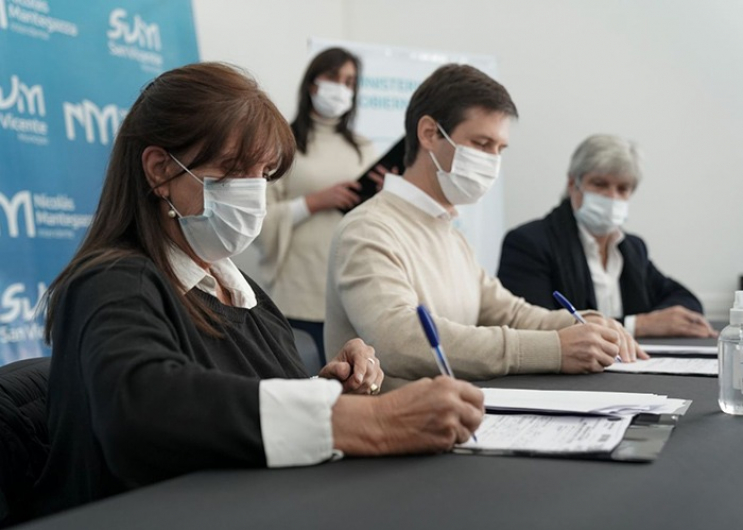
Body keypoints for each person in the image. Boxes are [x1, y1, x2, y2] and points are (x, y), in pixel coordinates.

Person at [33, 62, 484, 518]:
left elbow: (243, 414)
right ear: (159, 170)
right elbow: (141, 409)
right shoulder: (111, 282)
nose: (253, 192)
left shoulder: (244, 293)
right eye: (232, 170)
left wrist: (326, 390)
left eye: (263, 174)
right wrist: (369, 422)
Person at [325, 64, 646, 392]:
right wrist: (555, 349)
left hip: (452, 419)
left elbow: (511, 313)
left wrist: (584, 322)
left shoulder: (450, 233)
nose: (492, 160)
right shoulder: (368, 228)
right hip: (394, 432)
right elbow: (400, 340)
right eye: (481, 143)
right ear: (429, 134)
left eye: (499, 149)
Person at [497, 134, 715, 338]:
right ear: (573, 184)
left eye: (623, 188)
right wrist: (638, 325)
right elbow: (533, 329)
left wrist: (662, 321)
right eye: (600, 184)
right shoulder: (529, 243)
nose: (612, 197)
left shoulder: (631, 248)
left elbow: (686, 300)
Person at [254, 48, 377, 360]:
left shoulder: (363, 148)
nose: (342, 87)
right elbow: (257, 215)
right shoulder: (282, 143)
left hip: (352, 285)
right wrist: (315, 201)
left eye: (350, 81)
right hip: (298, 289)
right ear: (312, 84)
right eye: (334, 77)